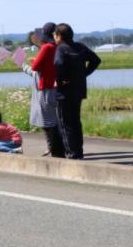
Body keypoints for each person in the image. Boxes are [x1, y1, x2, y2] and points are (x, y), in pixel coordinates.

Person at [52, 23, 101, 159]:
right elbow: (96, 60)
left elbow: (58, 64)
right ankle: (78, 152)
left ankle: (72, 154)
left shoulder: (61, 48)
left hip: (63, 93)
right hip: (78, 91)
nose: (54, 38)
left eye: (55, 36)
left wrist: (60, 80)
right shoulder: (80, 47)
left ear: (59, 36)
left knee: (64, 124)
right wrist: (83, 74)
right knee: (75, 122)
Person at [23, 24, 65, 157]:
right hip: (57, 86)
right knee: (57, 120)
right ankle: (58, 150)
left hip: (46, 87)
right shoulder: (60, 47)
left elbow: (35, 67)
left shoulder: (47, 47)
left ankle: (55, 151)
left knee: (48, 123)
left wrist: (29, 62)